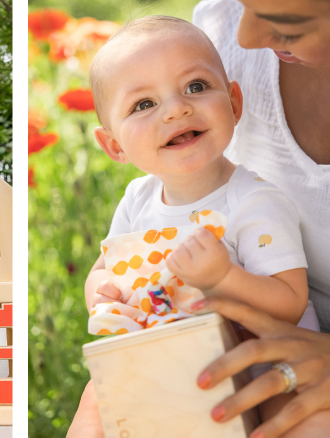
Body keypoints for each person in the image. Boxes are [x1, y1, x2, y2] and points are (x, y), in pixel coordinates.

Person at [67, 14, 324, 438]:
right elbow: (103, 269)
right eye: (144, 105)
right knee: (97, 403)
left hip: (265, 362)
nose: (177, 108)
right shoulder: (138, 200)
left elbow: (290, 303)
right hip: (175, 360)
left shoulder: (254, 201)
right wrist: (103, 295)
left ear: (234, 104)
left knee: (300, 418)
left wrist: (224, 277)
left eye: (196, 87)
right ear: (114, 145)